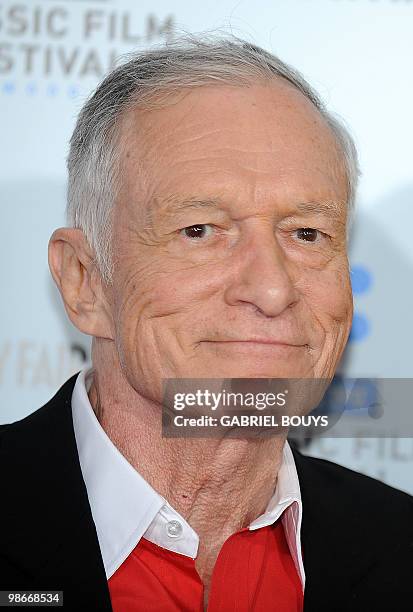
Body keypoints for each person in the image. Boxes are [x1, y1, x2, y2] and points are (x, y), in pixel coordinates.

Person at [1, 35, 412, 612]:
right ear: (85, 281)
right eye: (200, 230)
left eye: (306, 234)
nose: (272, 289)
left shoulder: (401, 548)